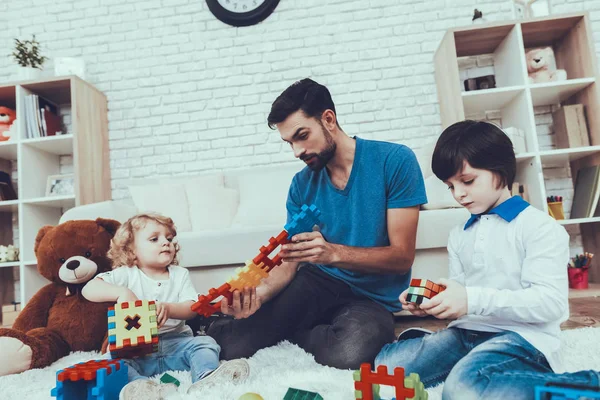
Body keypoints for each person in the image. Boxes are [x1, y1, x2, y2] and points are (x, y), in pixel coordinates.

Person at [205, 78, 428, 369]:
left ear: (328, 119)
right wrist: (260, 296)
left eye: (302, 135)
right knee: (231, 346)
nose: (297, 152)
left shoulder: (394, 161)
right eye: (289, 142)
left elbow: (401, 257)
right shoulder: (301, 184)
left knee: (349, 353)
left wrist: (333, 253)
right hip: (315, 284)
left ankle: (294, 331)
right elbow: (290, 261)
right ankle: (232, 321)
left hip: (371, 297)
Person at [375, 120, 600, 399]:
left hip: (521, 337)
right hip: (467, 330)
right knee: (386, 367)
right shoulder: (460, 234)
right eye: (450, 186)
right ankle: (464, 359)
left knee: (462, 391)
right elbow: (460, 292)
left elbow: (551, 305)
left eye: (467, 181)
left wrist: (471, 299)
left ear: (500, 170)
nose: (459, 194)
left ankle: (589, 384)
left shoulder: (539, 228)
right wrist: (433, 301)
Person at [82, 213, 249, 400]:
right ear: (131, 251)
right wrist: (122, 293)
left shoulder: (179, 274)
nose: (166, 242)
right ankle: (141, 387)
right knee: (113, 362)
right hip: (138, 352)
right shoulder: (126, 274)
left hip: (176, 343)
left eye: (169, 238)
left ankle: (207, 376)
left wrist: (169, 309)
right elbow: (88, 289)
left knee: (205, 344)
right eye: (155, 239)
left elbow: (191, 308)